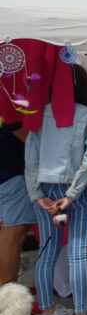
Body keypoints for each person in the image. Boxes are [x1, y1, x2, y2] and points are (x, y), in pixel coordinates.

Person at [25, 64, 87, 315]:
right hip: (77, 191)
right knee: (78, 250)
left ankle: (47, 310)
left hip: (46, 190)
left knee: (47, 249)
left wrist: (36, 194)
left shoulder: (39, 116)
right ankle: (82, 314)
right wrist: (71, 194)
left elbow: (31, 158)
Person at [0, 122, 36, 284]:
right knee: (13, 233)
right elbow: (26, 135)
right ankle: (7, 295)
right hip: (11, 172)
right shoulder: (10, 98)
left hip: (7, 172)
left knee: (10, 232)